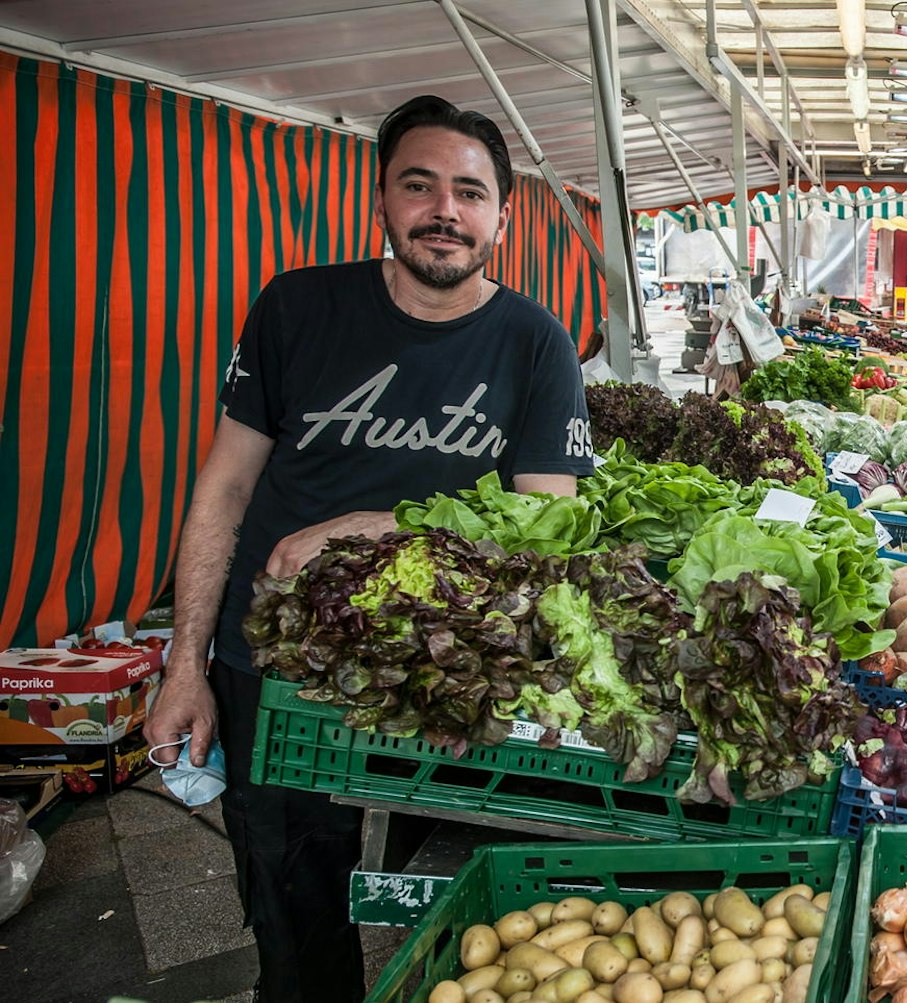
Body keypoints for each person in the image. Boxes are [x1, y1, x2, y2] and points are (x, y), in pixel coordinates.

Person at [142, 94, 596, 1002]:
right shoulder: (297, 307)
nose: (445, 211)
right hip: (273, 655)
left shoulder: (536, 346)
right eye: (418, 185)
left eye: (470, 193)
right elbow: (223, 489)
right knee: (289, 895)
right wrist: (182, 662)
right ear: (382, 198)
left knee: (443, 901)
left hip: (446, 666)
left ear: (501, 216)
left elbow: (545, 525)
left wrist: (376, 525)